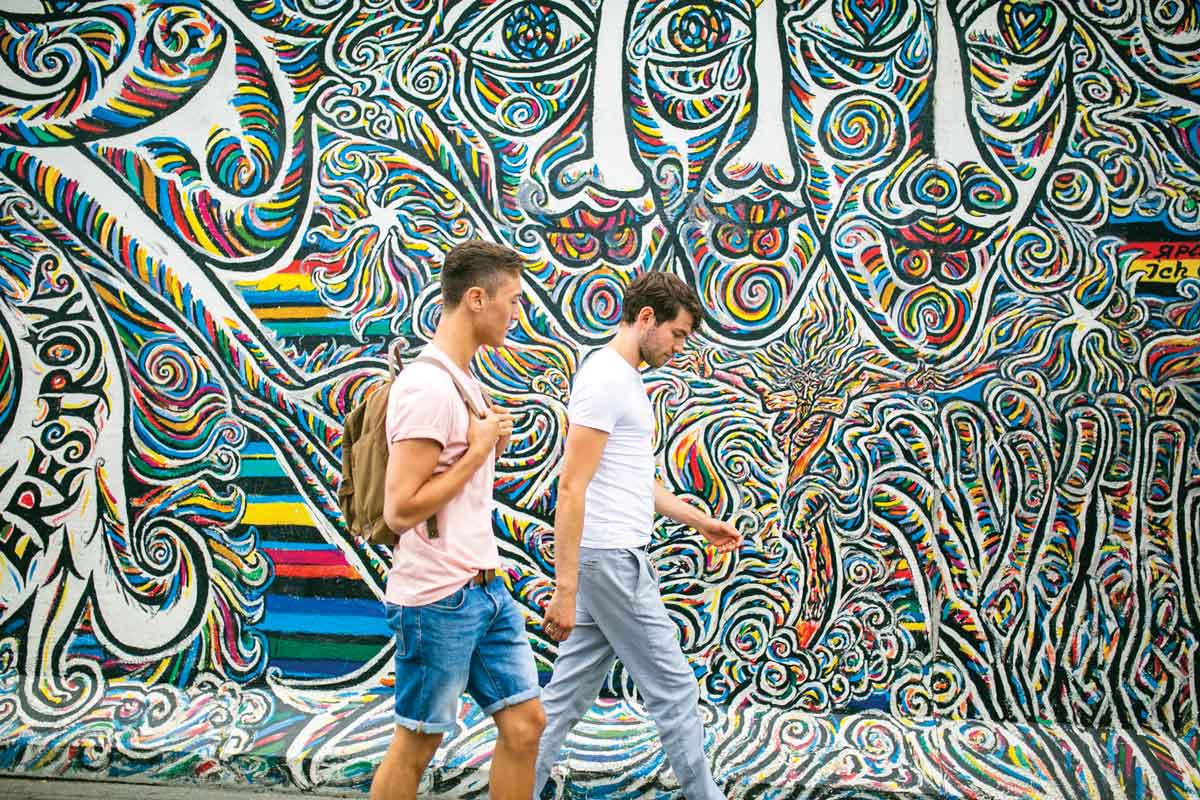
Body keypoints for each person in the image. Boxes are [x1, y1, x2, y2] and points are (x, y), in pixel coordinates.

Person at [535, 272, 743, 799]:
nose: (679, 348)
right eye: (676, 335)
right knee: (674, 687)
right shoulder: (606, 379)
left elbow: (633, 480)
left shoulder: (624, 381)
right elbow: (571, 485)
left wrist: (700, 521)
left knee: (564, 698)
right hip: (612, 560)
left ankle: (514, 788)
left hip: (608, 559)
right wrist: (565, 587)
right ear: (645, 318)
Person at [372, 240, 545, 800]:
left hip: (485, 589)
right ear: (476, 298)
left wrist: (483, 445)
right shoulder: (426, 388)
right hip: (436, 600)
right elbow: (400, 510)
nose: (516, 313)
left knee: (525, 727)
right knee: (416, 744)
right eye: (512, 301)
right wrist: (476, 453)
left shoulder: (460, 380)